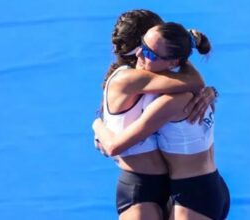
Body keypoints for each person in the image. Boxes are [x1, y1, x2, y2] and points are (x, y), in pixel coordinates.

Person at [93, 22, 229, 220]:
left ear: (173, 62)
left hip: (190, 196)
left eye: (149, 53)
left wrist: (96, 123)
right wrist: (211, 91)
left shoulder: (170, 101)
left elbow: (114, 146)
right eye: (141, 44)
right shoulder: (196, 92)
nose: (139, 54)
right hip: (205, 187)